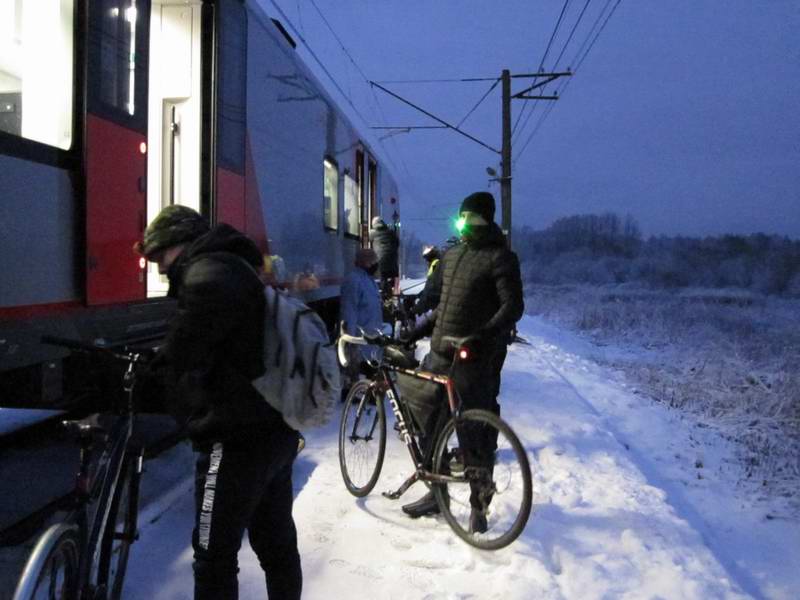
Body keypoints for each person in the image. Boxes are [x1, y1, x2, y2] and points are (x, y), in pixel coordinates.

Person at [135, 205, 302, 600]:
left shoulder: (206, 277)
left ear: (181, 245)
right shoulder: (236, 268)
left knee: (213, 558)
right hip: (274, 430)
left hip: (234, 440)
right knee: (276, 543)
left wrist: (149, 377)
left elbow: (184, 352)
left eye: (161, 257)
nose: (161, 269)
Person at [401, 191, 524, 533]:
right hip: (441, 354)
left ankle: (477, 505)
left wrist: (483, 335)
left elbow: (512, 306)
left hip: (476, 361)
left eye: (471, 218)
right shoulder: (452, 256)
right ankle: (435, 492)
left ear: (485, 219)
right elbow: (441, 306)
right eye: (462, 218)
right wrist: (413, 332)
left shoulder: (501, 258)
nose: (465, 224)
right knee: (429, 423)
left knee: (475, 433)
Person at [339, 247, 383, 394]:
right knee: (356, 367)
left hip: (371, 334)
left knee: (371, 367)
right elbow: (349, 310)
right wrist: (349, 338)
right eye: (373, 262)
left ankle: (369, 394)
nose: (376, 265)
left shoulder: (369, 280)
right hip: (359, 335)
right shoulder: (354, 280)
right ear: (365, 263)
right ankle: (351, 393)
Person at [368, 216, 400, 297]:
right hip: (392, 259)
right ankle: (396, 293)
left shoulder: (372, 233)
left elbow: (366, 240)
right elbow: (397, 243)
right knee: (395, 276)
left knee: (383, 277)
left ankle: (385, 294)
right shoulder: (391, 232)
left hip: (381, 259)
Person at [413, 244, 442, 316]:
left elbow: (432, 286)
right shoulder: (435, 262)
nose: (426, 261)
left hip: (435, 298)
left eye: (426, 258)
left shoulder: (436, 263)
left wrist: (417, 309)